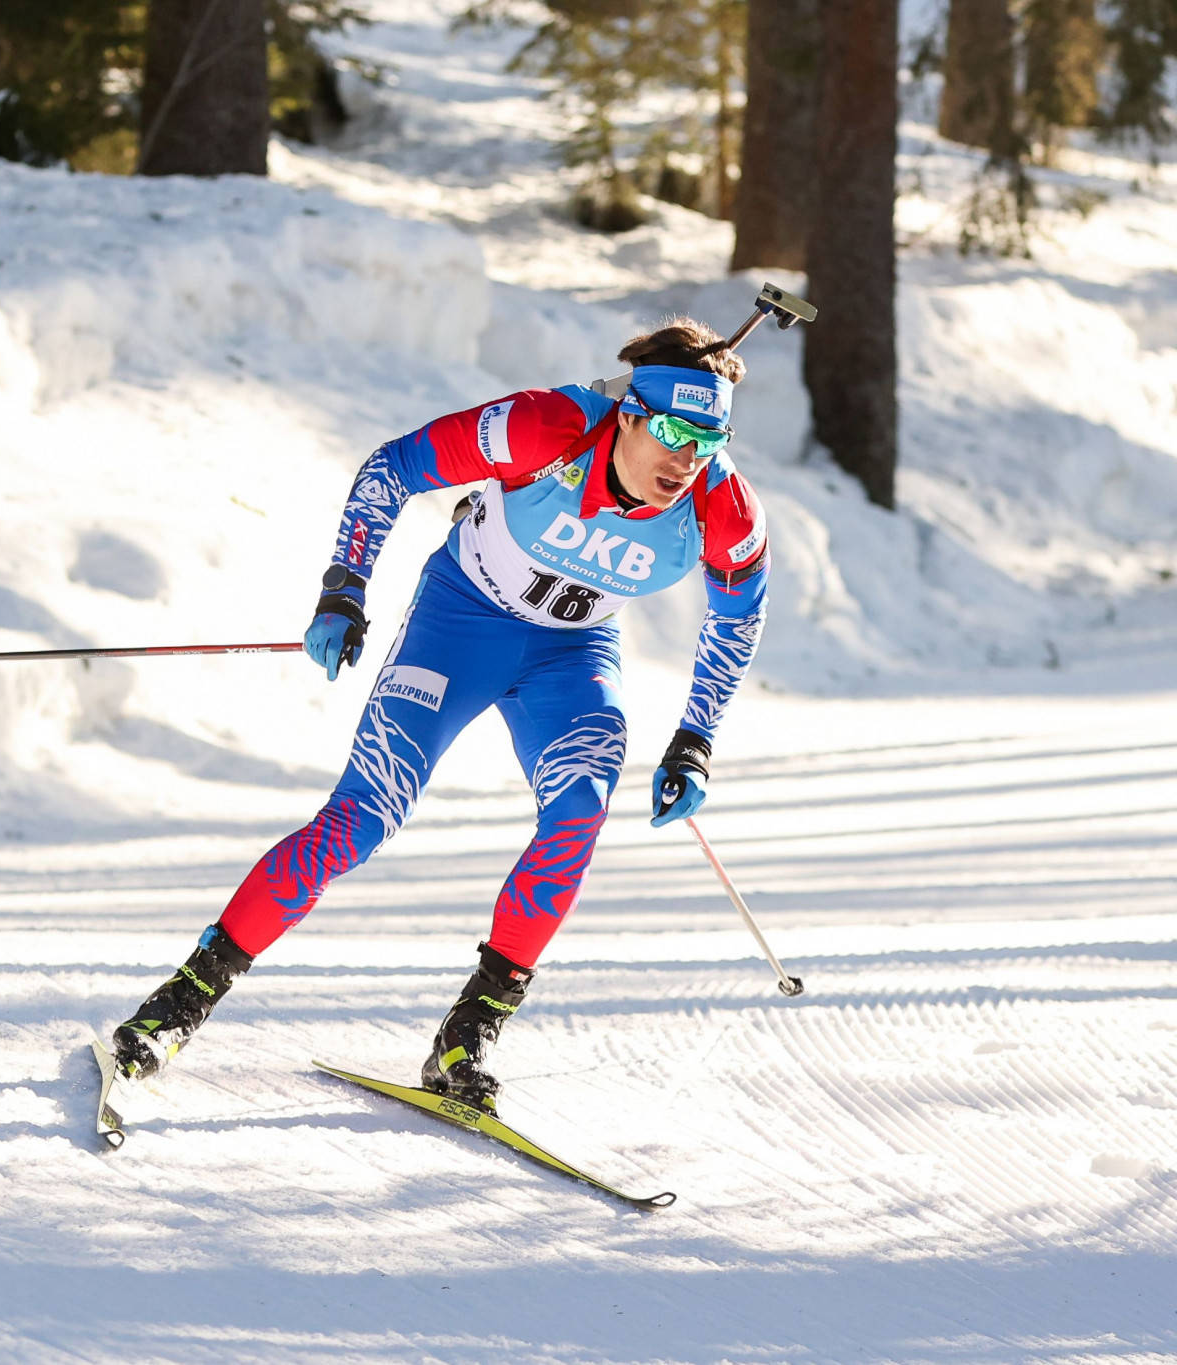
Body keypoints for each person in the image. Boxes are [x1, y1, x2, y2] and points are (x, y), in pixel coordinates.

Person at [107, 316, 770, 1109]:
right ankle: (180, 1003)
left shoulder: (723, 505)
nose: (685, 459)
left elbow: (738, 618)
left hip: (572, 653)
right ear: (629, 410)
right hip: (461, 624)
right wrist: (344, 587)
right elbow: (394, 468)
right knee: (363, 815)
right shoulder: (545, 429)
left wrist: (695, 739)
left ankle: (470, 1031)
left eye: (707, 440)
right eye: (669, 430)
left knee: (578, 815)